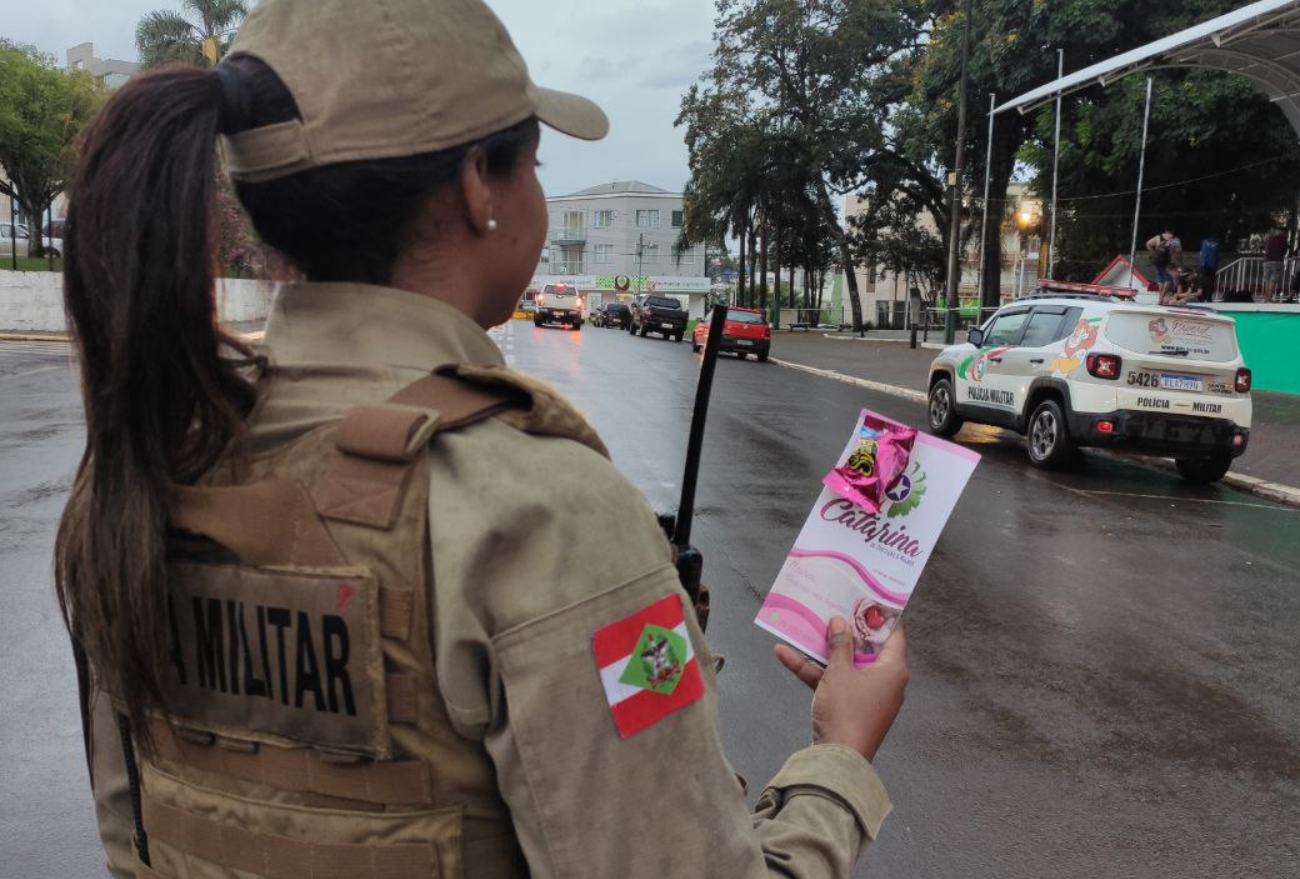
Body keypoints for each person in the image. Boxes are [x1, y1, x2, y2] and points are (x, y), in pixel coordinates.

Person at [54, 1, 909, 878]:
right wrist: (839, 756)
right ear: (476, 186)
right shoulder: (535, 511)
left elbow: (136, 839)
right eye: (533, 163)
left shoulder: (138, 473)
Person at [1146, 228, 1183, 304]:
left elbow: (1148, 244)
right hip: (1167, 262)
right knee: (1168, 279)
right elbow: (1179, 250)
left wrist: (1154, 253)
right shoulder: (1174, 239)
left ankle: (1160, 298)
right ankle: (1162, 298)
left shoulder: (1158, 237)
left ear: (1165, 230)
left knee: (1160, 279)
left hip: (1157, 261)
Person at [1262, 227, 1287, 302]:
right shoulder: (1282, 238)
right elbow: (1284, 250)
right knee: (1273, 280)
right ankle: (1269, 298)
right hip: (1277, 261)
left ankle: (1266, 298)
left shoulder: (1268, 237)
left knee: (1267, 280)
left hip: (1267, 261)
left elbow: (1265, 247)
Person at [1198, 236, 1220, 301]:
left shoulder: (1204, 242)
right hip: (1212, 267)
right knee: (1210, 283)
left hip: (1204, 266)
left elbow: (1202, 255)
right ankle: (1209, 298)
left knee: (1203, 282)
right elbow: (1217, 257)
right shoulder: (1216, 243)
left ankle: (1202, 299)